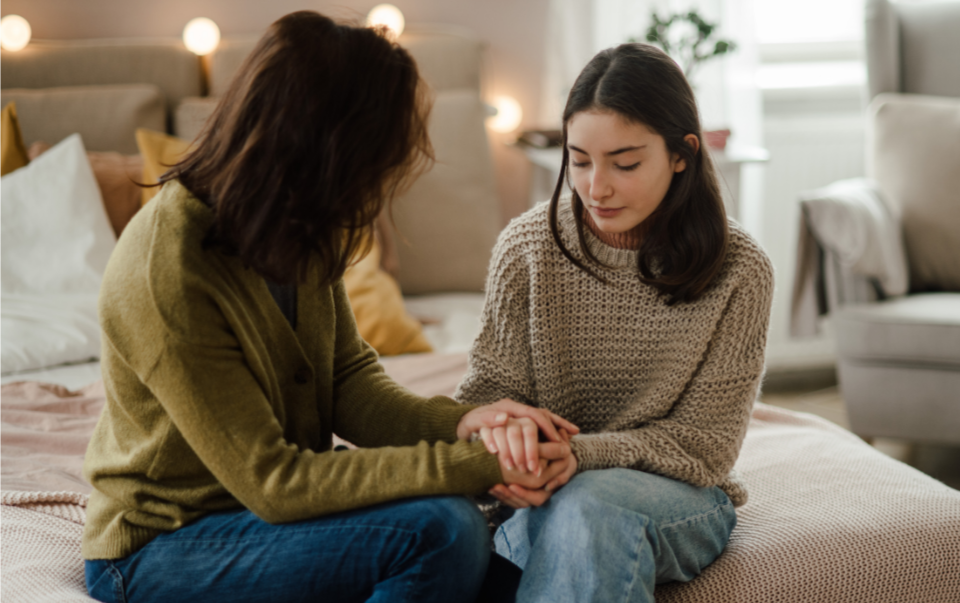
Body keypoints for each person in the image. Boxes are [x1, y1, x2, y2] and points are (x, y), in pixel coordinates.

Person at [81, 12, 578, 603]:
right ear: (323, 151)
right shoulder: (168, 269)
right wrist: (477, 466)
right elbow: (275, 482)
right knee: (443, 531)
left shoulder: (298, 227)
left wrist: (465, 425)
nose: (377, 189)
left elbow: (347, 383)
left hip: (272, 519)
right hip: (163, 542)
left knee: (520, 588)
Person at [455, 42, 775, 603]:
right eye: (579, 161)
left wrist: (581, 456)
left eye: (625, 164)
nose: (595, 187)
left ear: (682, 154)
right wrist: (511, 441)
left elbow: (705, 447)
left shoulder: (741, 270)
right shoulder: (527, 248)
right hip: (544, 487)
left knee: (588, 507)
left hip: (679, 494)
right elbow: (488, 398)